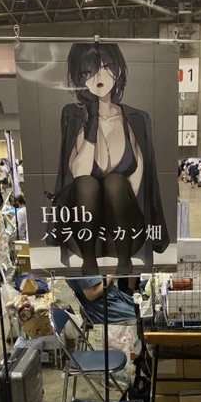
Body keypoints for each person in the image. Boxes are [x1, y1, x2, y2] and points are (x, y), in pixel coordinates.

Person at [52, 42, 169, 275]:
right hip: (87, 233)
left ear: (118, 70)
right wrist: (93, 119)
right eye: (89, 71)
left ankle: (124, 264)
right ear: (79, 77)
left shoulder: (135, 119)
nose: (99, 77)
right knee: (86, 184)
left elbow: (136, 188)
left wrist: (111, 194)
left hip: (126, 229)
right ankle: (89, 264)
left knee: (115, 182)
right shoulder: (74, 116)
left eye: (106, 67)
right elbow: (80, 173)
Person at [67, 276, 136, 324]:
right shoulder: (83, 266)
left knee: (139, 309)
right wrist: (111, 273)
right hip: (102, 307)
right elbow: (92, 295)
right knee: (139, 317)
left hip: (109, 298)